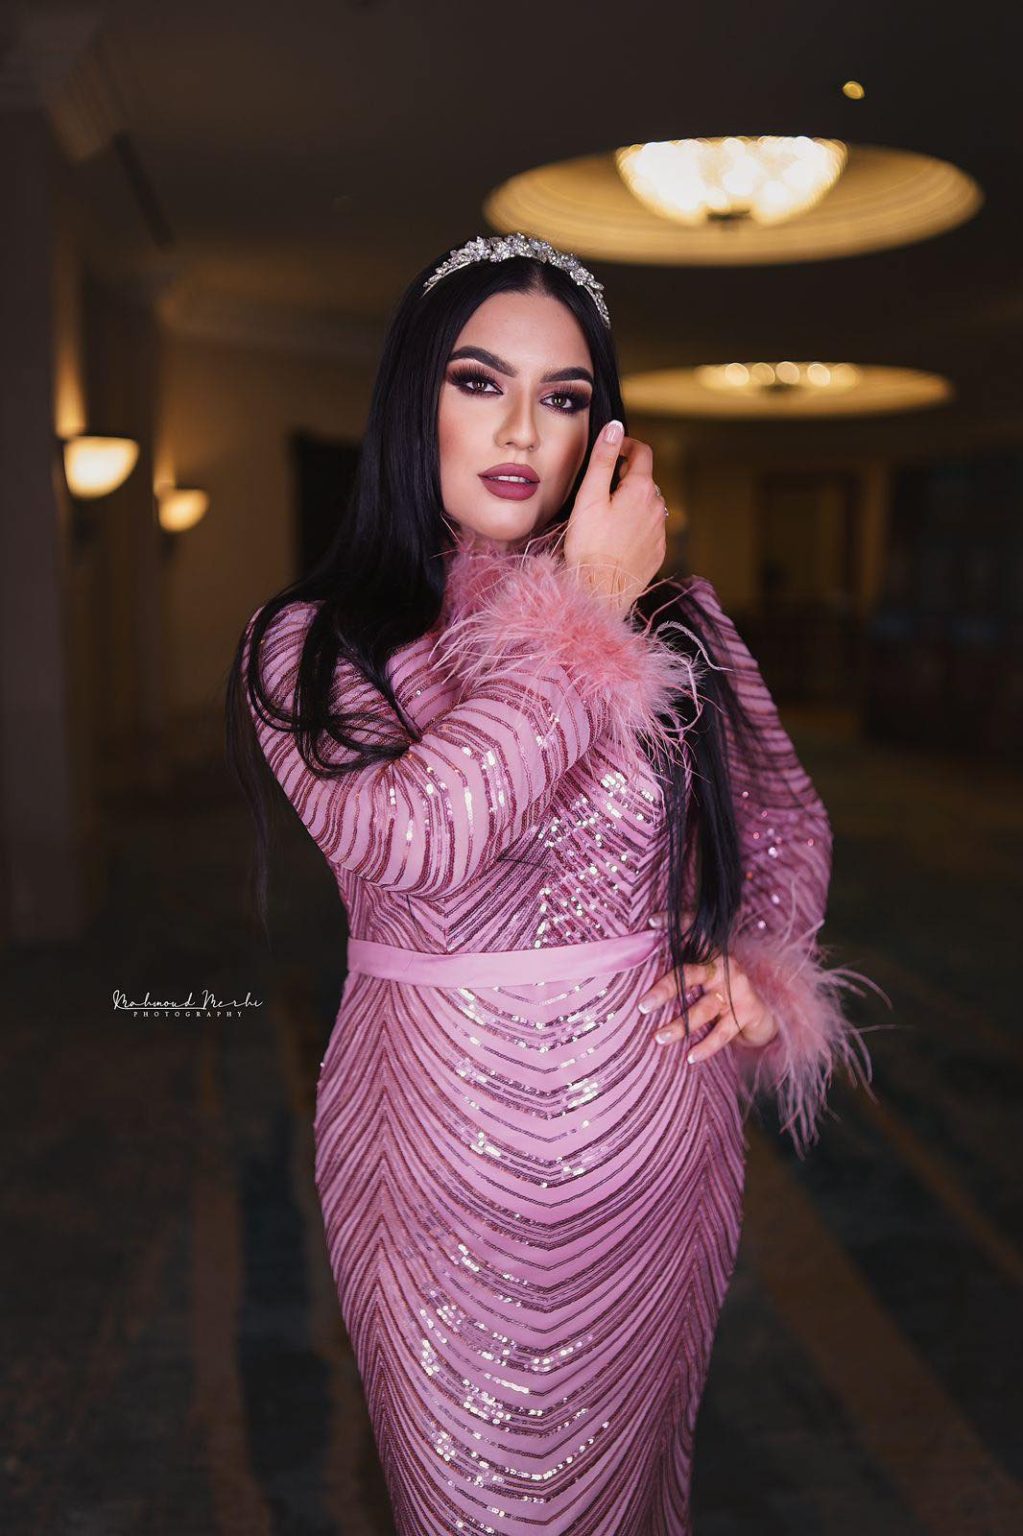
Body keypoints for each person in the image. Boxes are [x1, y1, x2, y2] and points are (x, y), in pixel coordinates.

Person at [226, 233, 880, 1534]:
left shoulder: (680, 619)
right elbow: (416, 837)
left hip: (656, 1142)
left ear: (603, 429)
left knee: (630, 1498)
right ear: (413, 402)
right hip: (430, 1152)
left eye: (564, 395)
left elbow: (785, 822)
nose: (523, 428)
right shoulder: (313, 640)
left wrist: (761, 965)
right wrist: (583, 610)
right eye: (479, 381)